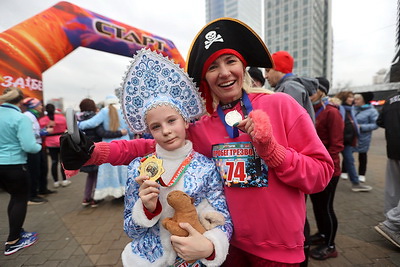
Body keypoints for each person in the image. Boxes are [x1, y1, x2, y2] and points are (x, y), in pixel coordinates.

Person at [61, 18, 334, 266]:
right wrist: (93, 152)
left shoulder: (282, 105)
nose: (224, 72)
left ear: (243, 66)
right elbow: (149, 147)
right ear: (205, 78)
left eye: (230, 61)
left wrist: (272, 151)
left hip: (280, 250)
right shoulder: (203, 124)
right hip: (225, 248)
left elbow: (320, 174)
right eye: (213, 66)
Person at [117, 49, 232, 266]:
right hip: (148, 260)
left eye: (172, 121)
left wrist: (209, 247)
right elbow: (130, 230)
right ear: (148, 131)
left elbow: (222, 220)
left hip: (193, 260)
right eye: (156, 126)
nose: (166, 131)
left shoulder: (206, 167)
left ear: (186, 120)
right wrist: (147, 209)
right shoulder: (138, 169)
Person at [0, 87, 40, 255]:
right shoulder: (20, 118)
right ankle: (13, 241)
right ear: (21, 101)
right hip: (15, 164)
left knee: (13, 198)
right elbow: (29, 146)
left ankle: (17, 231)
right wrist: (39, 146)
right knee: (19, 199)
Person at [308, 77, 344, 260]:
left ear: (321, 91)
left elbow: (336, 145)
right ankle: (322, 235)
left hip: (329, 171)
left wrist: (326, 167)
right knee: (317, 206)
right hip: (314, 169)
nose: (309, 93)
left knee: (326, 208)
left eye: (313, 90)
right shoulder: (312, 110)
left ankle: (330, 245)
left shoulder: (332, 113)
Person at [78, 94, 130, 201]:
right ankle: (126, 193)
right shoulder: (124, 110)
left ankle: (116, 193)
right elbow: (131, 128)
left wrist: (78, 125)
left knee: (113, 171)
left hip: (110, 145)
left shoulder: (104, 111)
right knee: (124, 169)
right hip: (126, 142)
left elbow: (90, 123)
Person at [374, 90, 400, 248]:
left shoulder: (390, 99)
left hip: (393, 148)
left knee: (394, 186)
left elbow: (380, 121)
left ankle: (391, 219)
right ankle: (392, 223)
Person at [265, 50, 317, 123]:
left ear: (280, 70)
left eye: (268, 70)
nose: (265, 76)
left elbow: (292, 123)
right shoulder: (290, 86)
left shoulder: (290, 87)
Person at [335, 91, 372, 192]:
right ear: (344, 98)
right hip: (339, 140)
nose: (353, 99)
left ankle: (355, 183)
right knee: (335, 161)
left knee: (350, 161)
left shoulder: (350, 109)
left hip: (347, 141)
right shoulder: (339, 109)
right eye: (350, 97)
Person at [23, 97, 56, 204]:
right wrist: (45, 132)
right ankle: (31, 196)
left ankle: (42, 189)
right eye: (40, 105)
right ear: (34, 106)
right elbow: (28, 133)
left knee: (42, 168)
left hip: (38, 145)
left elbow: (35, 131)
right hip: (33, 146)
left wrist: (44, 130)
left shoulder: (33, 116)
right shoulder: (27, 116)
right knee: (33, 171)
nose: (42, 107)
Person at [39, 103, 70, 188]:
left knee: (54, 161)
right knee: (63, 161)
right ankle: (64, 180)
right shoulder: (62, 118)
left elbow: (40, 132)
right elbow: (67, 128)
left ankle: (56, 181)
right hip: (61, 141)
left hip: (50, 142)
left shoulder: (42, 120)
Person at [353, 92, 379, 183]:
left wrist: (362, 127)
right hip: (351, 136)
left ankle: (361, 174)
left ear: (364, 100)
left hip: (363, 137)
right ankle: (345, 171)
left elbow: (376, 124)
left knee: (362, 155)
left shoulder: (372, 111)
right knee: (348, 153)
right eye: (354, 99)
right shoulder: (353, 109)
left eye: (357, 99)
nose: (355, 101)